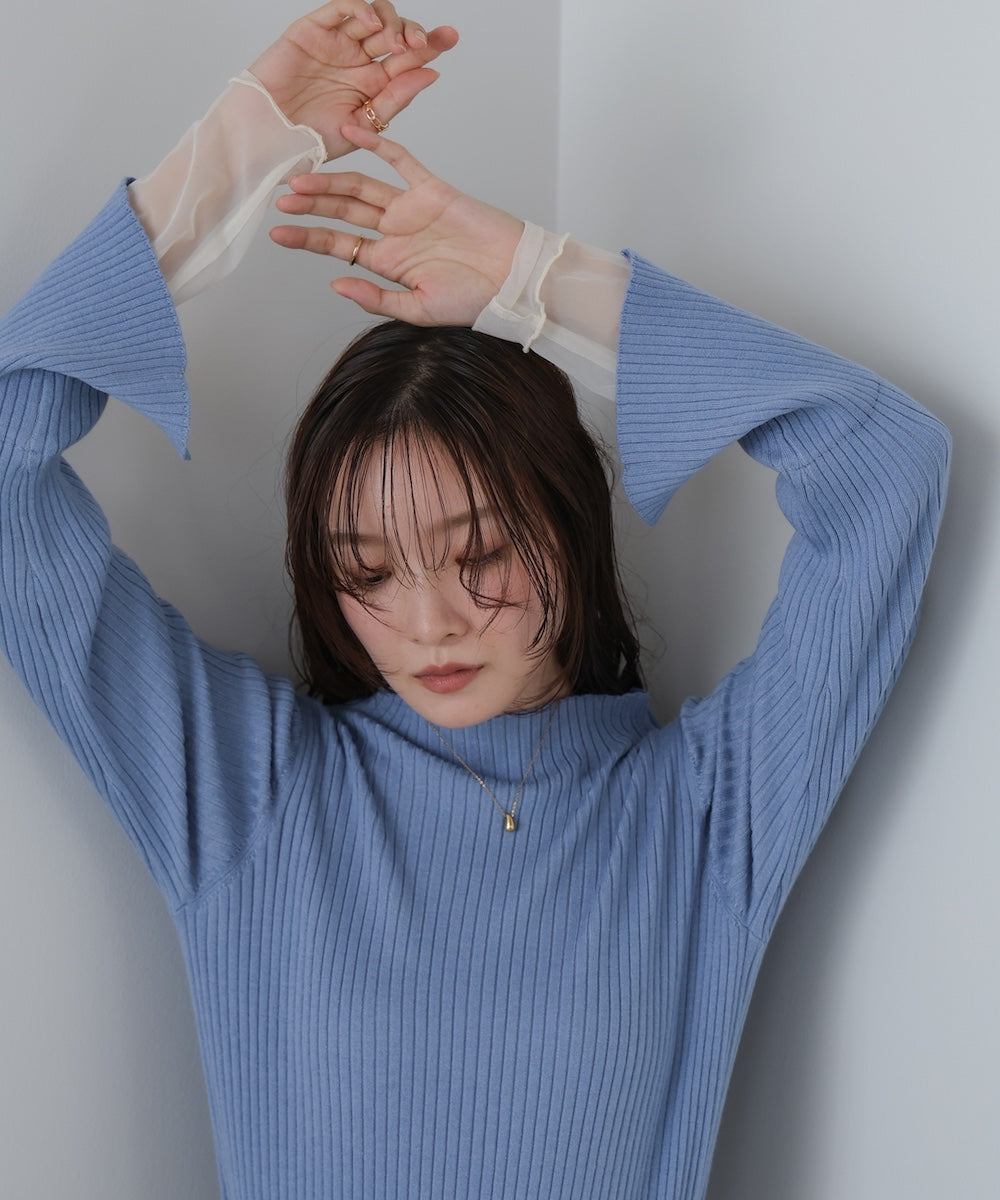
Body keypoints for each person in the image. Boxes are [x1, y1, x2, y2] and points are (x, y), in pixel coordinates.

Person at [0, 2, 950, 1197]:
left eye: (481, 552)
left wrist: (534, 281)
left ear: (569, 528)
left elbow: (885, 466)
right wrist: (234, 160)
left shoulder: (706, 815)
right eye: (367, 570)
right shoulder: (246, 795)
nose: (429, 623)